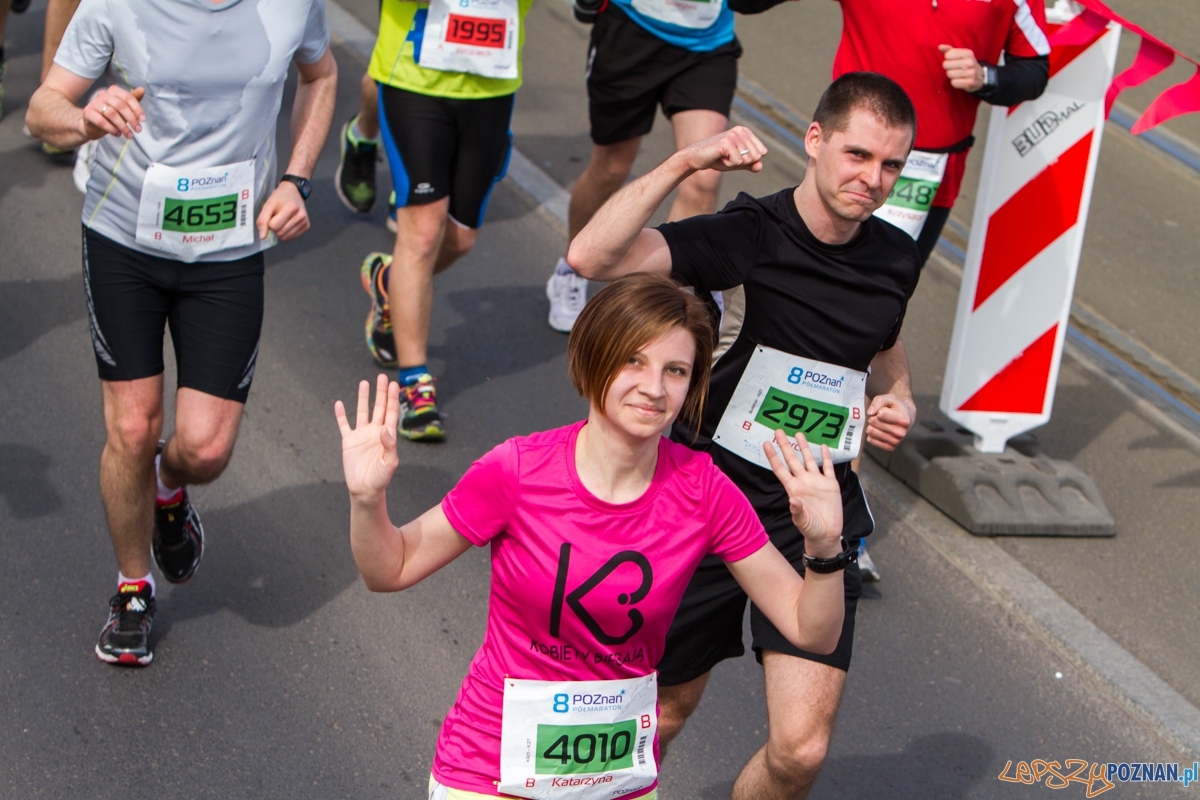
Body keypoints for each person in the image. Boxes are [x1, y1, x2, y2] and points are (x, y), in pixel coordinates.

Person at [336, 273, 852, 799]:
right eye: (634, 360)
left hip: (616, 781)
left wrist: (825, 547)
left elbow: (812, 632)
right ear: (595, 359)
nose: (654, 388)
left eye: (676, 370)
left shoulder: (704, 490)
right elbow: (389, 569)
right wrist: (366, 500)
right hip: (490, 773)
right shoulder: (516, 471)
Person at [568, 72, 921, 799]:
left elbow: (882, 344)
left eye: (891, 165)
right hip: (704, 511)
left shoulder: (894, 256)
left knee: (799, 753)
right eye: (857, 155)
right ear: (815, 140)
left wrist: (898, 398)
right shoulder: (747, 235)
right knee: (662, 713)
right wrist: (683, 163)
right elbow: (591, 259)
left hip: (811, 524)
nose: (873, 179)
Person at [26, 0, 337, 666]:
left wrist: (296, 180)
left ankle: (169, 486)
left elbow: (321, 76)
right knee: (132, 427)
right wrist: (83, 119)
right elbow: (41, 109)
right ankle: (133, 589)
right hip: (124, 241)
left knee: (206, 449)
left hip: (228, 250)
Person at [353, 0, 535, 441]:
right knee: (423, 231)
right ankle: (415, 383)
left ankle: (388, 283)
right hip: (414, 79)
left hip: (490, 83)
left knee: (460, 238)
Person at [543, 0, 744, 333]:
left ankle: (657, 305)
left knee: (704, 179)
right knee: (611, 168)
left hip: (707, 45)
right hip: (632, 31)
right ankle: (571, 270)